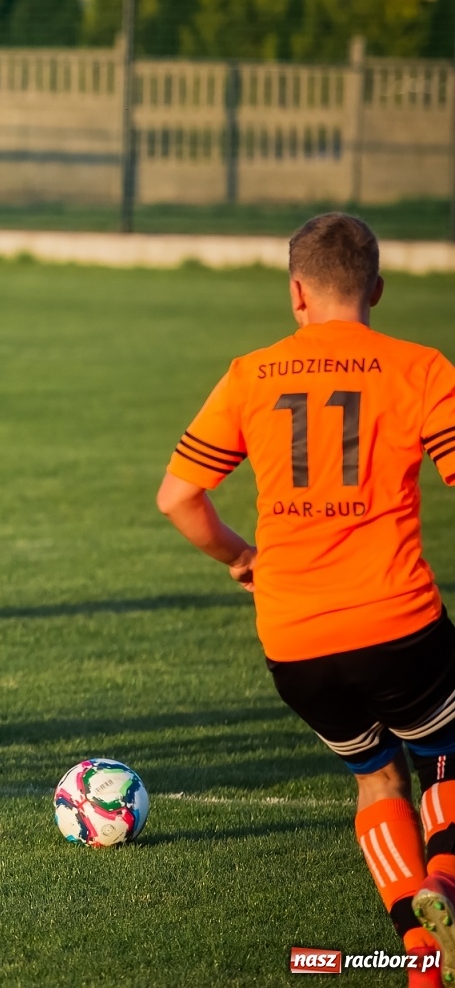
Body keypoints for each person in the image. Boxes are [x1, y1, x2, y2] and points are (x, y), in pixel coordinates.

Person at [156, 213, 455, 985]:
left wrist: (241, 556)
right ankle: (444, 882)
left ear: (296, 293)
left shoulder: (252, 373)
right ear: (379, 289)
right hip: (400, 622)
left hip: (294, 640)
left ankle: (422, 957)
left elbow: (178, 497)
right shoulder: (420, 367)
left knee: (376, 777)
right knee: (447, 758)